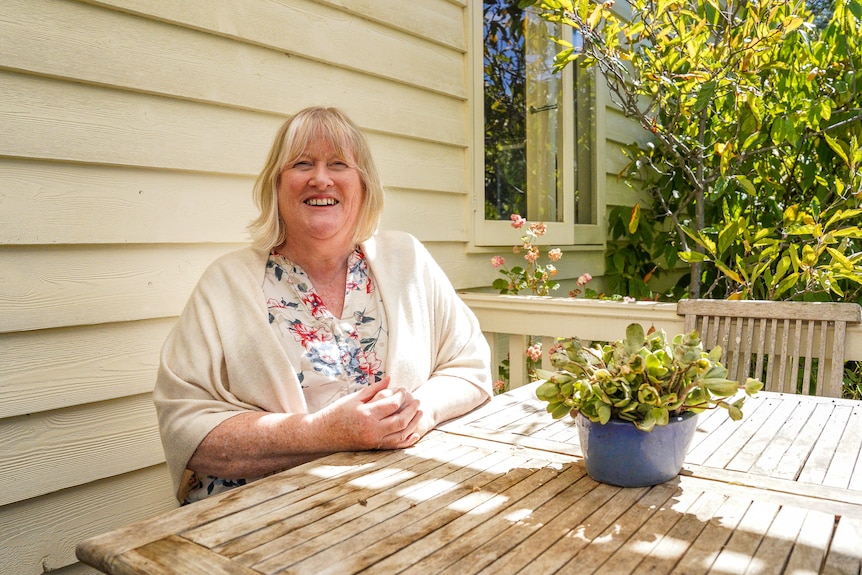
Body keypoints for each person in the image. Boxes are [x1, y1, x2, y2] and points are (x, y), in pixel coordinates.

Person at [153, 106, 492, 503]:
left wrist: (420, 412)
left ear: (364, 185)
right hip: (257, 521)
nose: (320, 178)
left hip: (398, 501)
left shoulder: (407, 259)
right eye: (301, 164)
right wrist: (322, 431)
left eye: (338, 164)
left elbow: (469, 367)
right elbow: (186, 431)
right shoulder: (225, 284)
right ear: (276, 186)